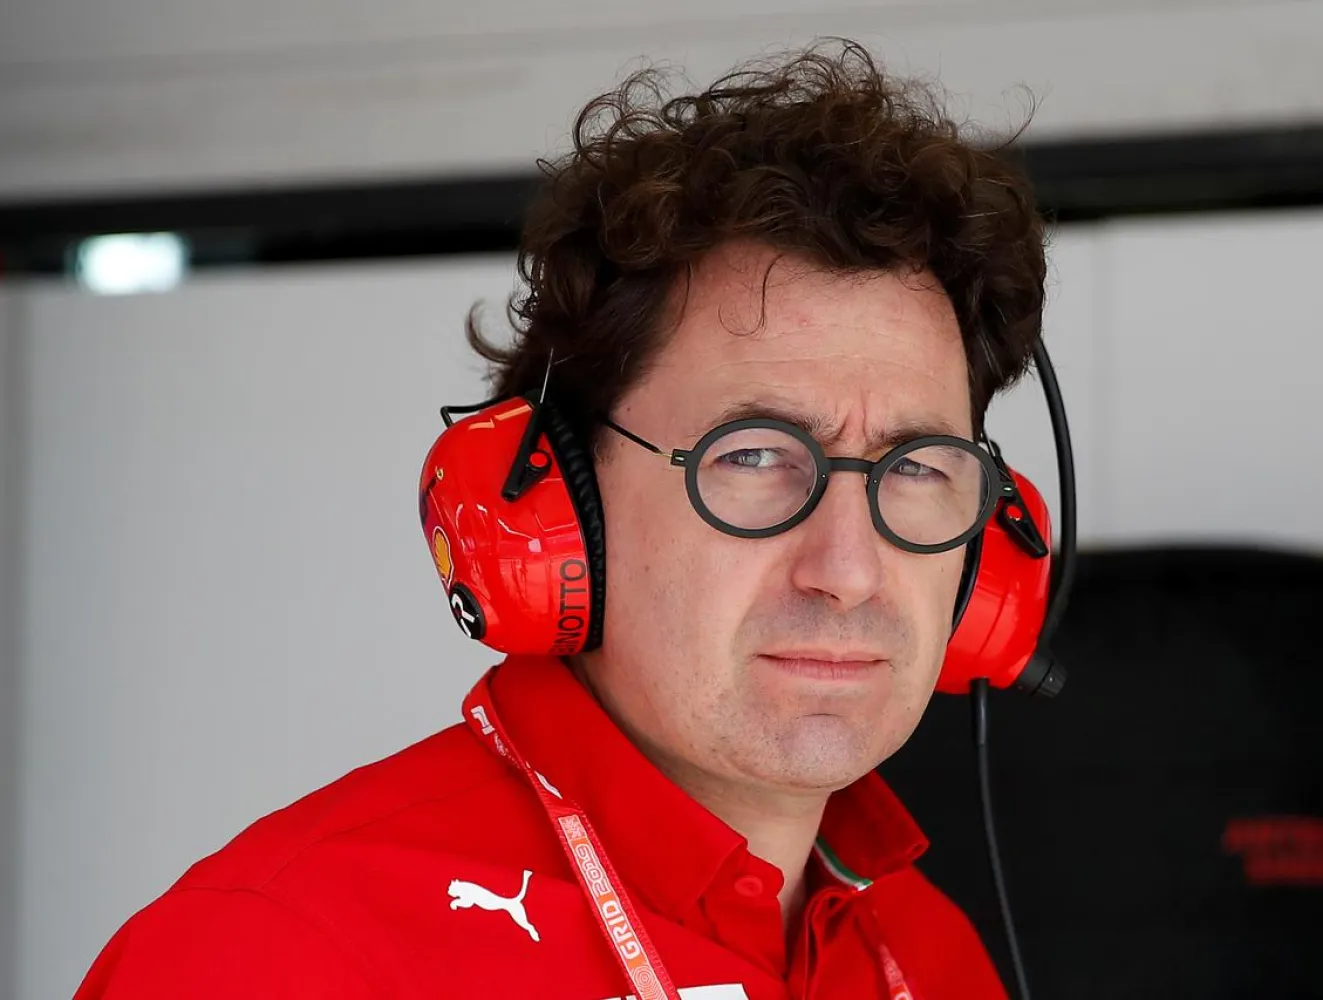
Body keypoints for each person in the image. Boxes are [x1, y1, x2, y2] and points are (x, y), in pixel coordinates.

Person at [76, 38, 1049, 999]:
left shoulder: (928, 953)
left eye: (917, 466)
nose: (850, 568)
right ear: (559, 507)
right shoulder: (280, 954)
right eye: (752, 457)